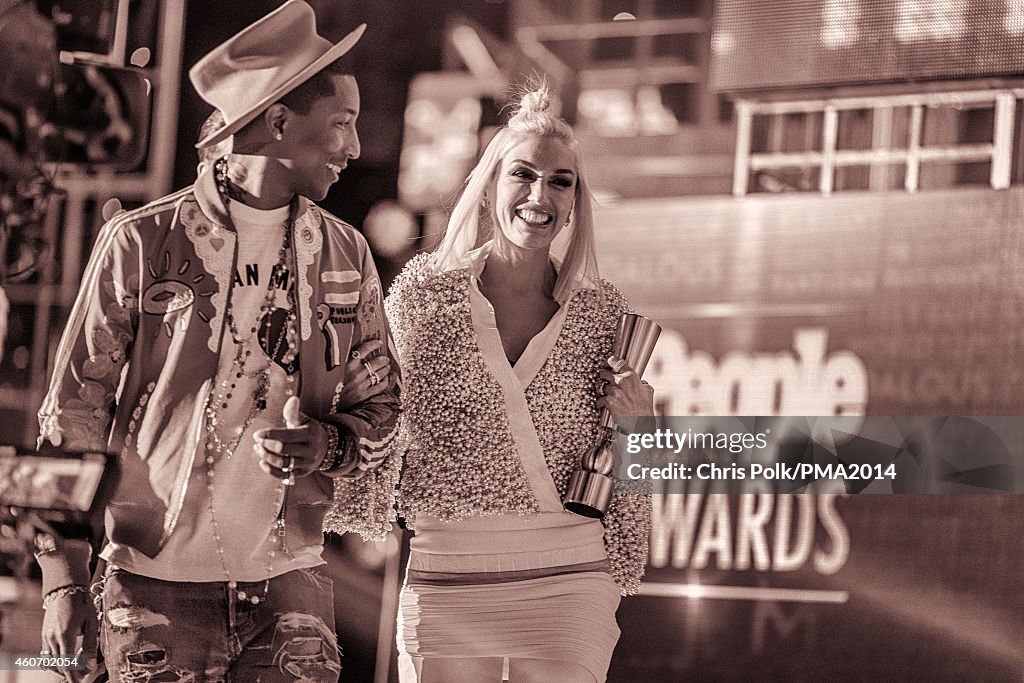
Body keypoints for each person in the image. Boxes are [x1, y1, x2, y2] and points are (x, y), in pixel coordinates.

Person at [35, 2, 400, 680]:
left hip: (292, 585)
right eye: (342, 123)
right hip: (148, 584)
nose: (354, 147)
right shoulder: (140, 241)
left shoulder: (345, 252)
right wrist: (62, 578)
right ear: (279, 121)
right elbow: (71, 419)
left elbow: (384, 410)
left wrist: (328, 444)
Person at [329, 85, 655, 683]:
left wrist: (641, 425)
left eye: (561, 181)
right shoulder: (424, 296)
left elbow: (621, 464)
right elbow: (377, 418)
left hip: (570, 574)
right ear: (490, 184)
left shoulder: (603, 312)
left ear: (577, 200)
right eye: (523, 174)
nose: (540, 195)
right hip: (447, 567)